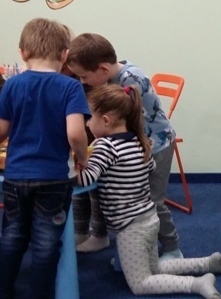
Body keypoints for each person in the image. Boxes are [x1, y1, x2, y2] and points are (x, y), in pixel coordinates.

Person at [76, 85, 221, 299]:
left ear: (106, 121)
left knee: (140, 283)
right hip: (149, 218)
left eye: (89, 119)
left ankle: (197, 284)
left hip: (130, 226)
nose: (87, 124)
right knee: (156, 267)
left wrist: (80, 162)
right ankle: (209, 263)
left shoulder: (106, 147)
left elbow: (86, 179)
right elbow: (151, 167)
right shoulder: (139, 140)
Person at [0, 19, 90, 299]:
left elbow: (0, 131)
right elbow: (75, 134)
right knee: (47, 243)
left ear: (22, 52)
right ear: (64, 55)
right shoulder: (70, 86)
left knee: (11, 237)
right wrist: (83, 157)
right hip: (53, 178)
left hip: (16, 175)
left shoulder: (13, 84)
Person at [65, 34, 183, 259]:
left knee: (153, 202)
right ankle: (138, 248)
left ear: (102, 69)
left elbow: (126, 124)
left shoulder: (129, 80)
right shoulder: (114, 78)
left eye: (84, 76)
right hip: (139, 145)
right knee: (136, 201)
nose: (83, 81)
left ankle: (172, 248)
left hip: (156, 146)